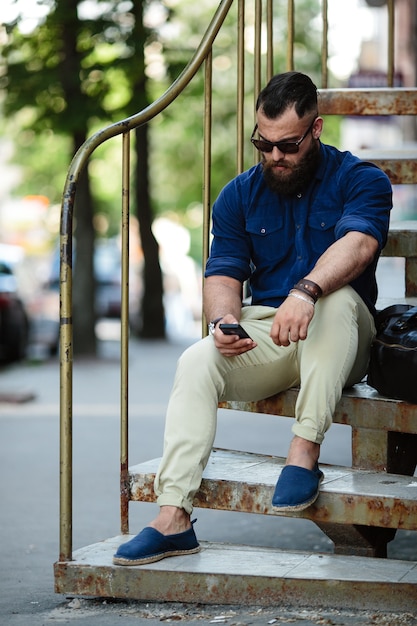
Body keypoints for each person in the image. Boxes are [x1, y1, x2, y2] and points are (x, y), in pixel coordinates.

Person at [113, 71, 392, 566]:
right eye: (263, 143)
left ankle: (303, 452)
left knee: (338, 299)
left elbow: (360, 244)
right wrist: (223, 322)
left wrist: (306, 290)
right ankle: (173, 517)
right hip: (271, 334)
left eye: (287, 145)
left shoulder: (361, 179)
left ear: (316, 129)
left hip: (341, 338)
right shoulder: (238, 195)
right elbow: (222, 271)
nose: (273, 157)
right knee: (199, 360)